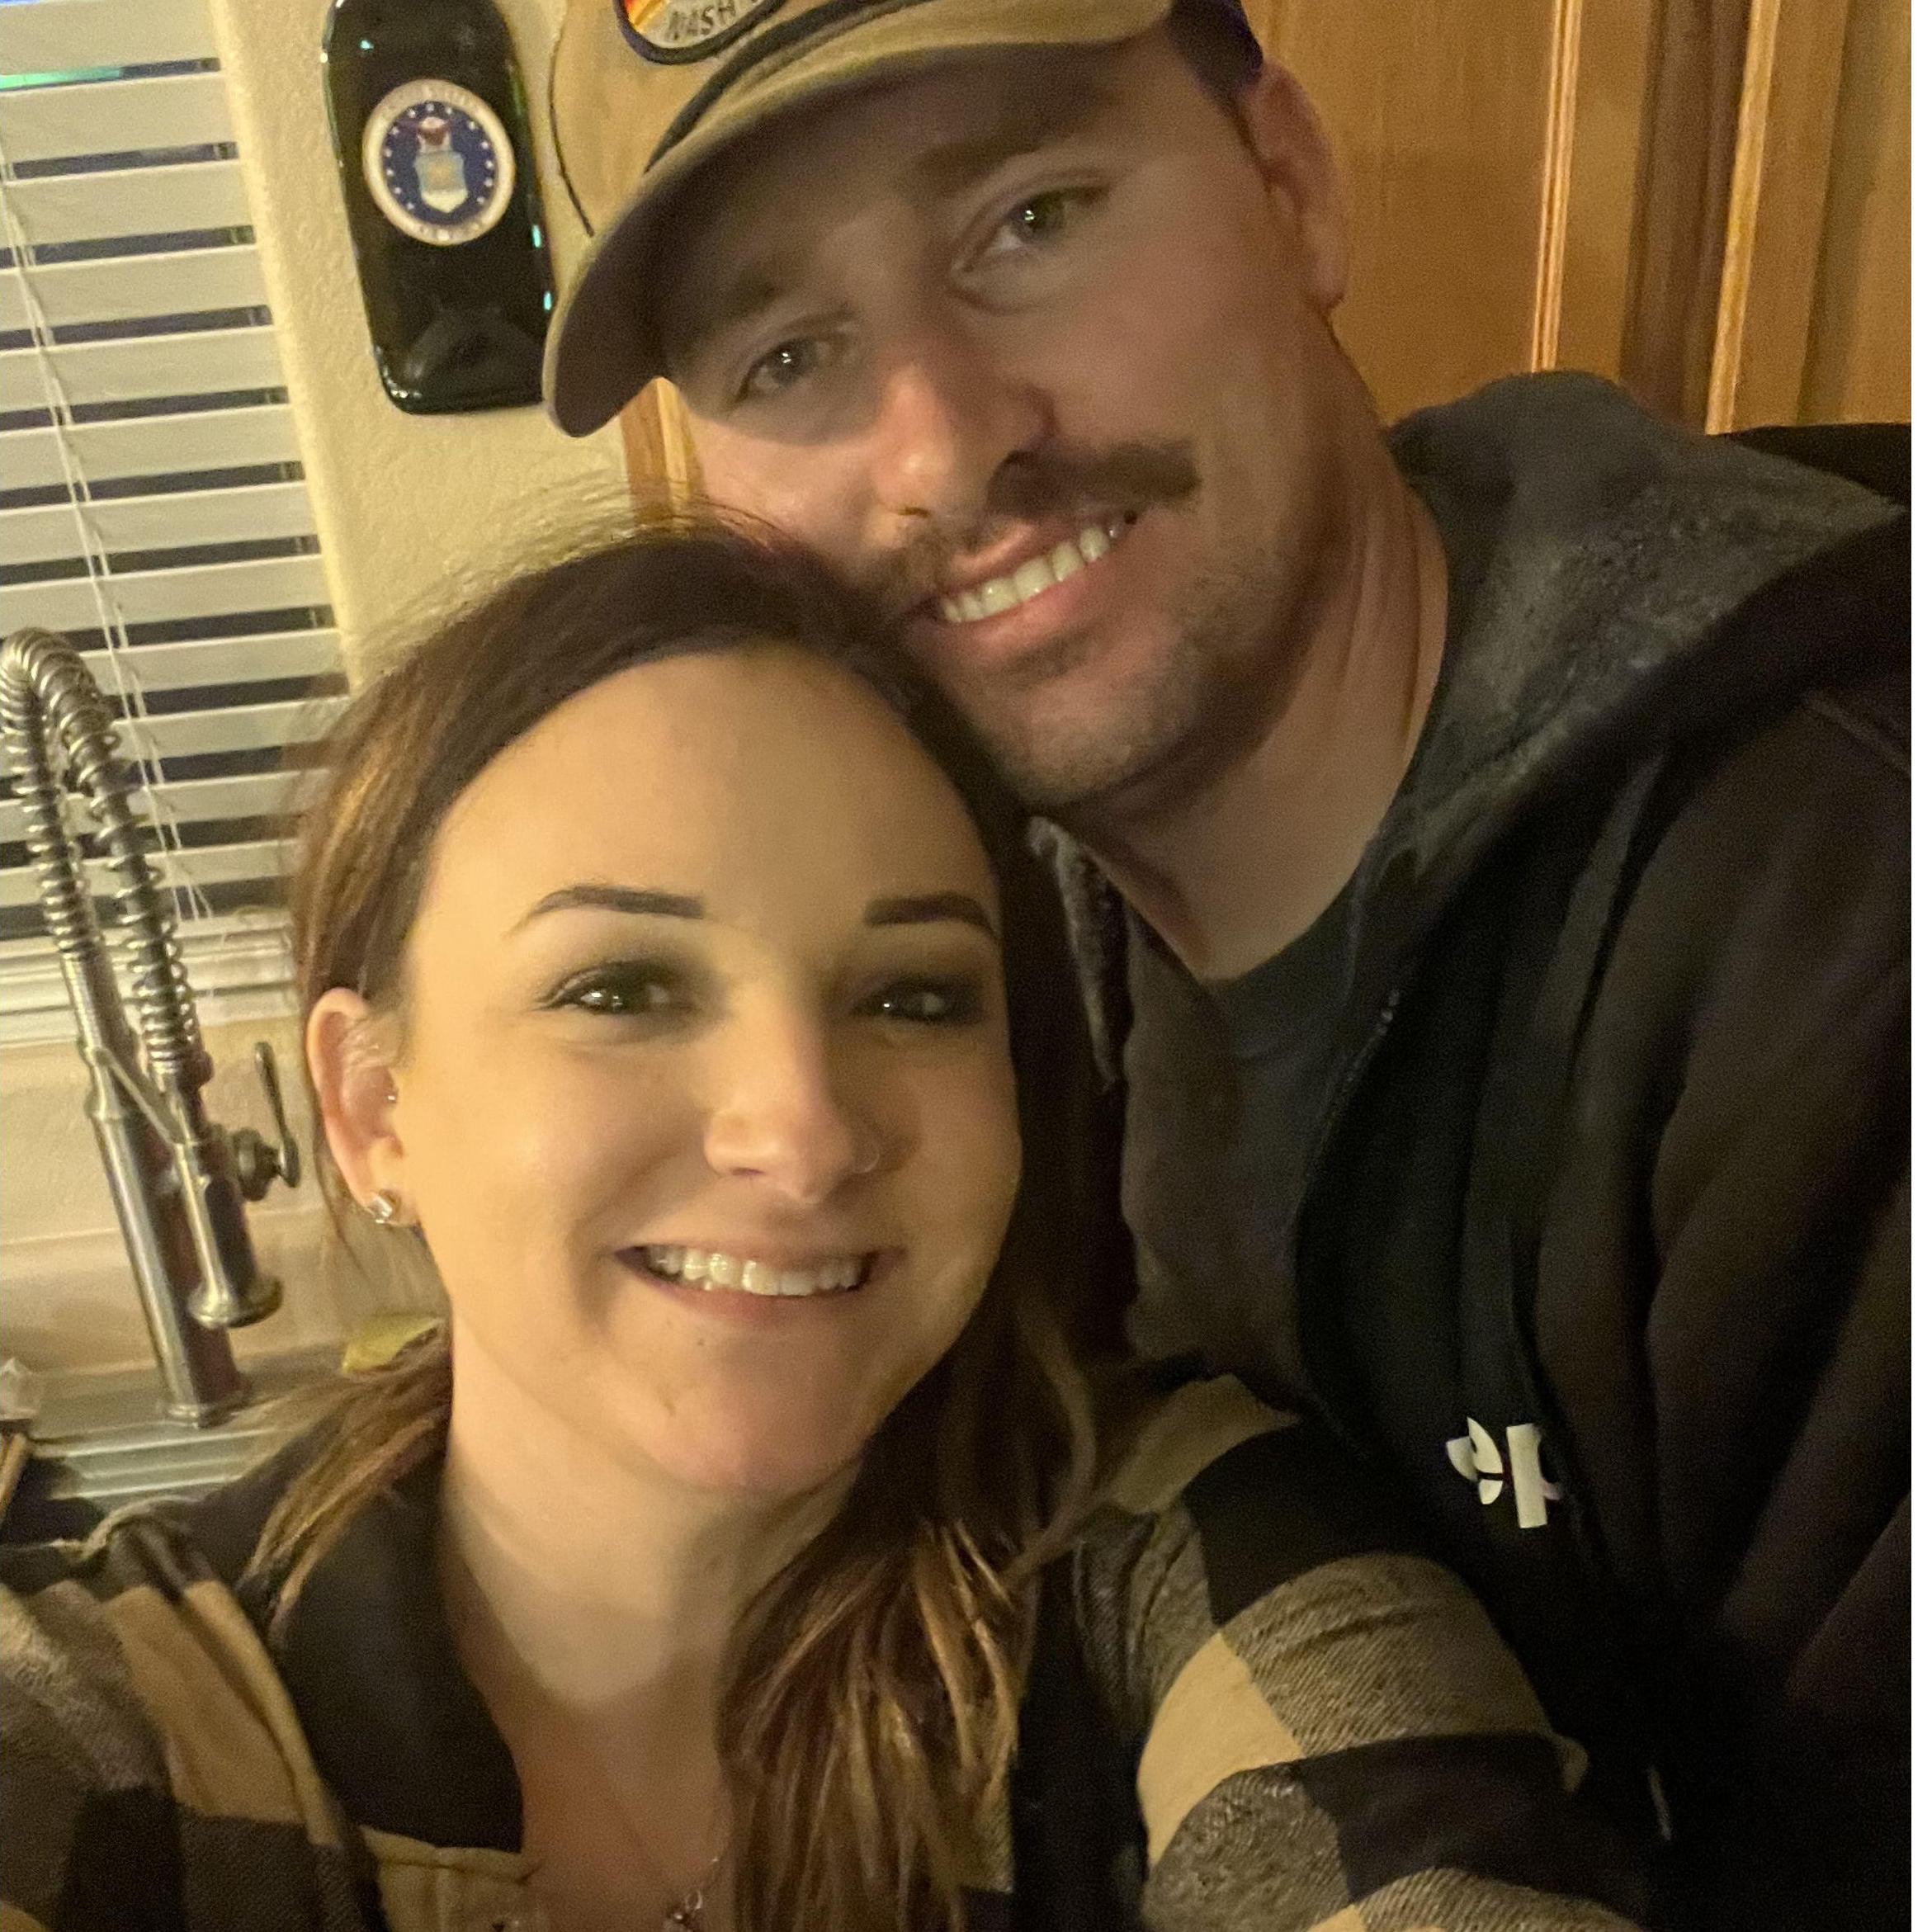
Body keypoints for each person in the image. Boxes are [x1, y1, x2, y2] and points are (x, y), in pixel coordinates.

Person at [536, 4, 1910, 1928]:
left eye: (1028, 220)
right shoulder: (973, 990)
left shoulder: (1843, 931)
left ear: (1291, 185)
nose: (945, 450)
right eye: (789, 355)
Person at [0, 523, 1652, 1932]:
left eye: (912, 994)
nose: (799, 1130)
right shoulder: (111, 1728)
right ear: (373, 1106)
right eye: (621, 987)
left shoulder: (1189, 1571)